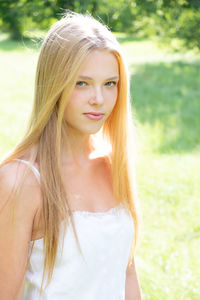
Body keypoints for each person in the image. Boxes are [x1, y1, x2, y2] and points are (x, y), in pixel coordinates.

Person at [0, 11, 142, 300]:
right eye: (82, 83)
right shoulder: (21, 180)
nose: (99, 99)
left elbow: (126, 272)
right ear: (54, 84)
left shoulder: (113, 165)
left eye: (110, 83)